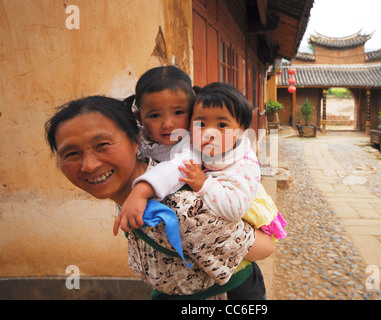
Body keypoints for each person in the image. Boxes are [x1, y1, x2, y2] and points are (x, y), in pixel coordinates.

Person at [45, 95, 274, 299]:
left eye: (102, 145)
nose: (89, 165)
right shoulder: (131, 197)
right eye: (71, 153)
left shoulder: (180, 210)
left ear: (137, 141)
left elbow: (263, 247)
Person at [179, 82, 287, 241]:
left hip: (248, 227)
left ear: (240, 130)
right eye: (201, 124)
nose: (209, 133)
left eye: (221, 125)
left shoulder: (244, 165)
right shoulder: (210, 149)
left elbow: (234, 208)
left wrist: (204, 184)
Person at [113, 66, 199, 236]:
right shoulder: (138, 139)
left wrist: (140, 191)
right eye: (154, 115)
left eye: (178, 112)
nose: (167, 123)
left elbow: (181, 166)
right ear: (139, 117)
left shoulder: (193, 143)